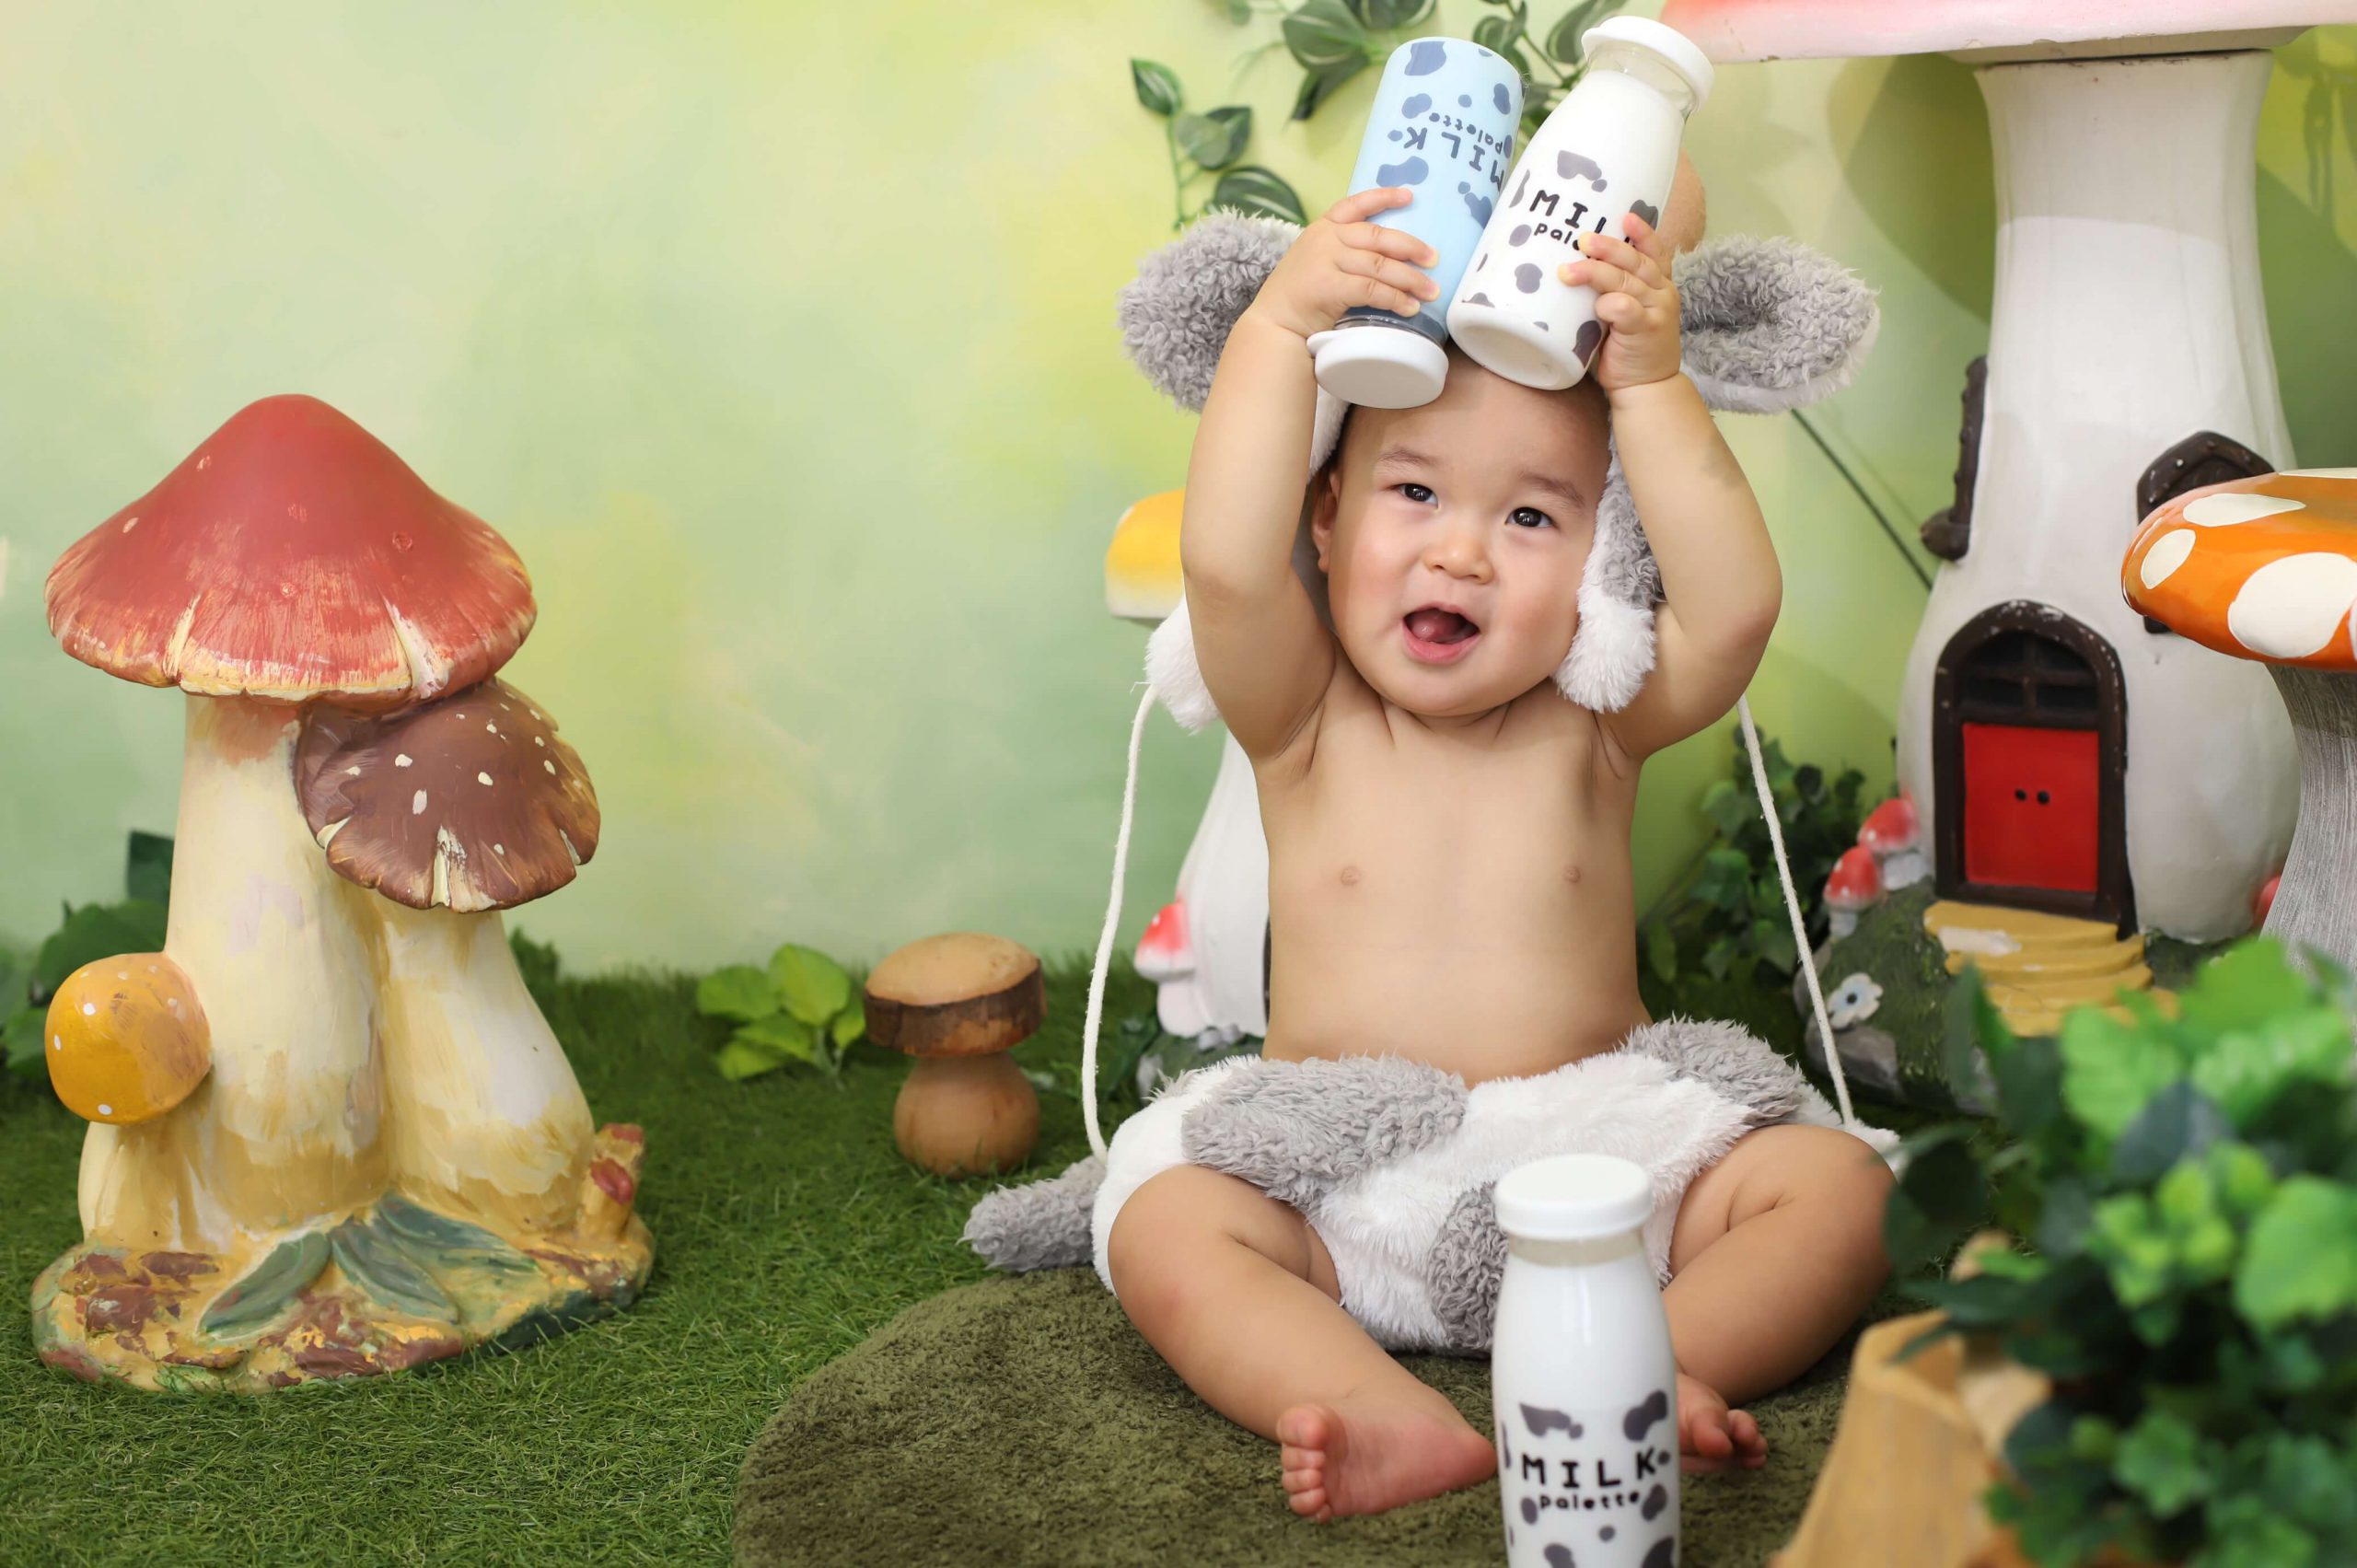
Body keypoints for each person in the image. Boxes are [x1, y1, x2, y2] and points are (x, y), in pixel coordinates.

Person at [1097, 170, 1894, 1522]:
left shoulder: (1597, 724)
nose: (1461, 554)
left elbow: (1735, 610)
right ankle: (1373, 1409)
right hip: (1347, 1190)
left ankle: (1650, 1370)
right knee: (1164, 1221)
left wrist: (1651, 385)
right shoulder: (1302, 720)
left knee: (1842, 1189)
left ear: (1598, 560)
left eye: (1531, 517)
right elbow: (1227, 564)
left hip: (1601, 1165)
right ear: (1326, 520)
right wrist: (1281, 327)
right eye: (1414, 491)